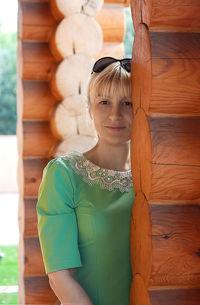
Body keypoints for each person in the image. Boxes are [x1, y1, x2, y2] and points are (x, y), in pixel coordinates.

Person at [36, 56, 135, 305]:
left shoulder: (159, 181)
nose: (115, 114)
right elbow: (60, 277)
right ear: (89, 108)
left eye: (127, 103)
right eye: (104, 102)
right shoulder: (64, 175)